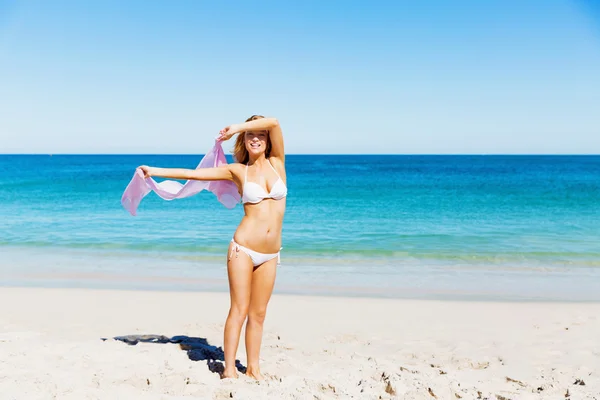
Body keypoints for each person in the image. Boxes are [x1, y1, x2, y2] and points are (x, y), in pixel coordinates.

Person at [138, 115, 287, 380]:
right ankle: (229, 368)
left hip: (270, 254)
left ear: (267, 141)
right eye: (250, 136)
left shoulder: (278, 164)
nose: (255, 138)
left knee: (260, 313)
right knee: (239, 310)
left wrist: (239, 127)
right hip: (243, 249)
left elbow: (274, 122)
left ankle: (253, 368)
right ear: (244, 142)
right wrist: (154, 171)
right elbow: (193, 174)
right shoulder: (237, 171)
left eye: (260, 135)